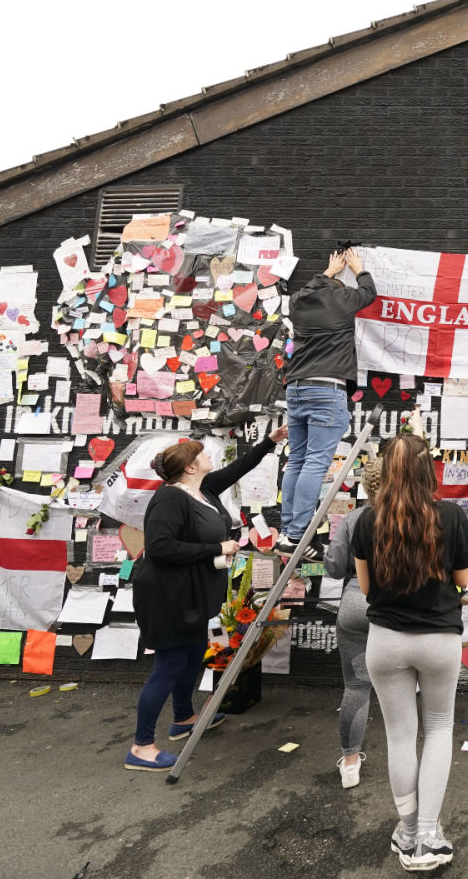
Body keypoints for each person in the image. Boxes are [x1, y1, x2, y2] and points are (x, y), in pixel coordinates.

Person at [127, 425, 288, 772]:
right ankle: (140, 746)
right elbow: (159, 547)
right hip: (167, 597)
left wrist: (269, 442)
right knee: (169, 666)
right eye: (202, 454)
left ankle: (183, 719)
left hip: (194, 594)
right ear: (189, 467)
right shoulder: (170, 497)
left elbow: (237, 468)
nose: (209, 456)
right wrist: (216, 548)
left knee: (189, 658)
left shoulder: (204, 491)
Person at [353, 433, 468, 870]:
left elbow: (366, 588)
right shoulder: (450, 515)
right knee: (439, 729)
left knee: (400, 736)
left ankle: (406, 831)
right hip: (439, 640)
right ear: (430, 469)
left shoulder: (367, 520)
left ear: (385, 470)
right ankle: (428, 835)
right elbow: (465, 579)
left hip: (385, 641)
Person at [276, 245, 377, 562]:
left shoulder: (299, 301)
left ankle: (287, 532)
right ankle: (297, 536)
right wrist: (359, 268)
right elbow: (369, 292)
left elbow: (313, 286)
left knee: (297, 461)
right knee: (316, 463)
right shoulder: (342, 299)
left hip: (296, 387)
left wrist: (329, 272)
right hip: (327, 388)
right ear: (338, 289)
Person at [322, 455, 387, 789]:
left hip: (356, 603)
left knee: (357, 686)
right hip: (399, 609)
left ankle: (350, 764)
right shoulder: (416, 516)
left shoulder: (353, 519)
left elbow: (333, 567)